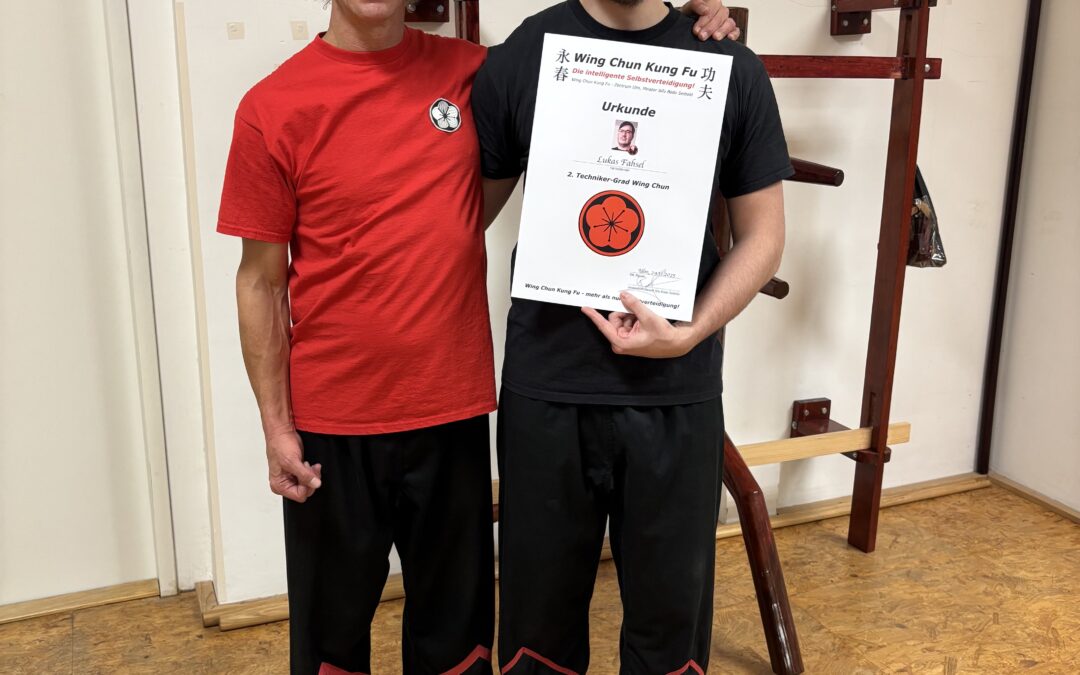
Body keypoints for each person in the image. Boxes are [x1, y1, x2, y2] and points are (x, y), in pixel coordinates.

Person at [217, 1, 737, 673]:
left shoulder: (477, 73)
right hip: (332, 425)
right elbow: (259, 282)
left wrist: (692, 17)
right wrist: (275, 425)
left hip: (451, 415)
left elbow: (610, 70)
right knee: (329, 650)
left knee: (457, 649)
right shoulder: (271, 107)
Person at [474, 1, 792, 673]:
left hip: (676, 392)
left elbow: (764, 236)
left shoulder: (728, 66)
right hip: (547, 389)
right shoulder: (528, 53)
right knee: (536, 639)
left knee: (669, 642)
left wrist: (693, 331)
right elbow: (461, 215)